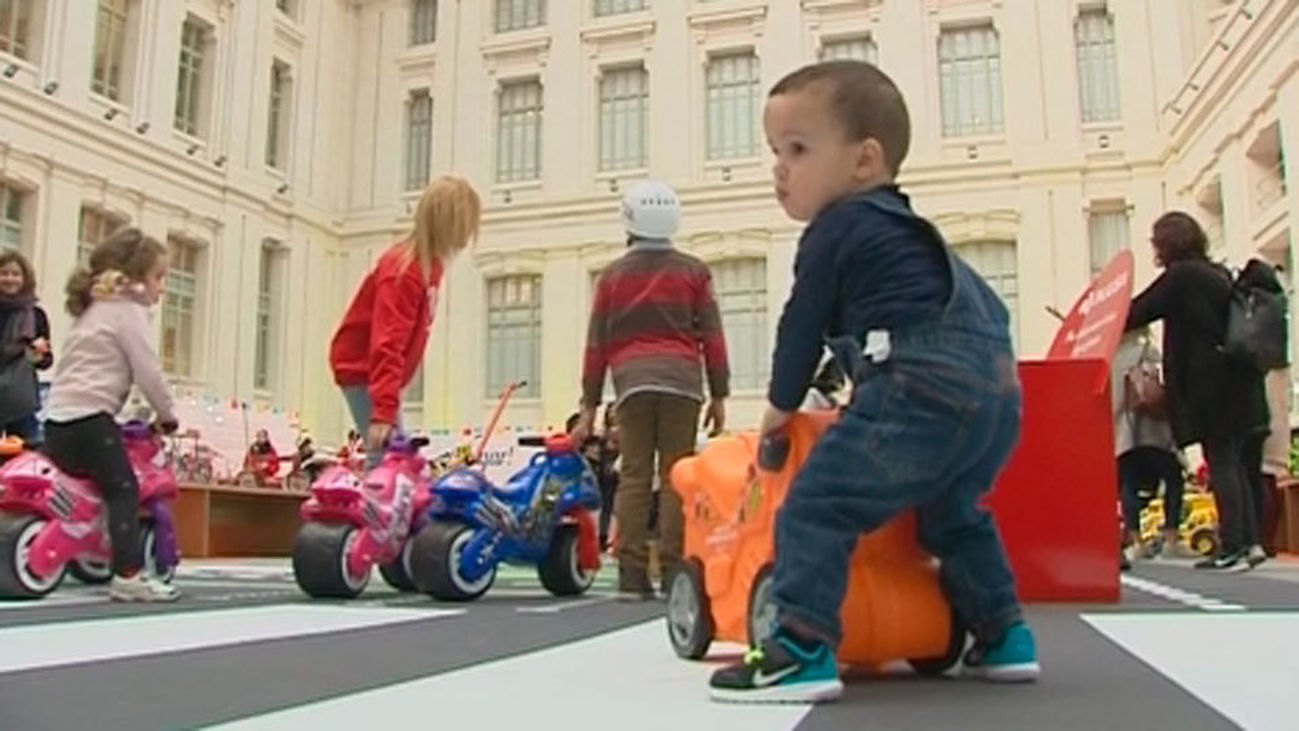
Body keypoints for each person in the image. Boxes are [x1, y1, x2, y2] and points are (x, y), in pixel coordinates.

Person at [708, 60, 1037, 704]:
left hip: (917, 388)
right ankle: (1004, 634)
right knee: (954, 514)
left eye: (797, 150)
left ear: (864, 161)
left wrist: (779, 407)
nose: (779, 169)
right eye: (775, 152)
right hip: (997, 397)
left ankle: (800, 645)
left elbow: (802, 324)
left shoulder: (836, 228)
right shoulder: (910, 235)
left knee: (817, 503)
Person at [574, 180, 730, 601]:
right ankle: (677, 570)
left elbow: (596, 343)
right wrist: (719, 393)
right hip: (682, 383)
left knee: (635, 475)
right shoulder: (694, 272)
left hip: (632, 384)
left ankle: (632, 575)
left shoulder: (611, 277)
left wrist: (589, 404)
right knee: (678, 475)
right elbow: (712, 336)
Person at [1125, 212, 1269, 570]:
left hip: (1211, 385)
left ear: (1166, 244)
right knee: (1237, 463)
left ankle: (1232, 547)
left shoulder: (1180, 277)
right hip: (1240, 381)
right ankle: (1250, 543)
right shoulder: (1215, 273)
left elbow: (1139, 311)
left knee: (1221, 462)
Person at [42, 227, 180, 602]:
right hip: (91, 419)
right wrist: (167, 414)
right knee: (123, 489)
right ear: (135, 278)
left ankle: (86, 548)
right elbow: (148, 371)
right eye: (158, 277)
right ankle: (128, 576)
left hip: (57, 418)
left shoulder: (93, 308)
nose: (162, 287)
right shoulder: (129, 311)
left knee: (88, 487)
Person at [329, 175, 481, 468]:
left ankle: (382, 495)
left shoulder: (429, 267)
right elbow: (388, 341)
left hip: (377, 373)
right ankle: (376, 498)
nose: (469, 234)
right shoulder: (404, 271)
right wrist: (383, 411)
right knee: (388, 457)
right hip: (363, 368)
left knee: (398, 458)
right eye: (466, 225)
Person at [1111, 328, 1189, 566]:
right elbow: (1162, 389)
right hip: (1153, 430)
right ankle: (1171, 538)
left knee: (1129, 484)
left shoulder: (1111, 356)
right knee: (1173, 479)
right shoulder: (1146, 350)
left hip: (1124, 432)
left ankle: (1137, 542)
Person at [0, 250, 53, 445]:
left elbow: (46, 362)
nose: (9, 279)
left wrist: (38, 354)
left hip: (20, 400)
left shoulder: (36, 315)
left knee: (25, 455)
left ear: (25, 279)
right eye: (4, 273)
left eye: (15, 274)